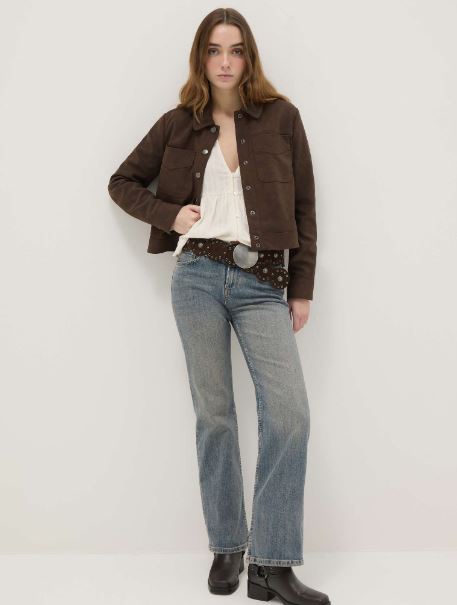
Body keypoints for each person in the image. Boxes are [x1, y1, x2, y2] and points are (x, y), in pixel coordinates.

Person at [108, 8, 330, 605]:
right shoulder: (178, 123)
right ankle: (228, 545)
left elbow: (305, 207)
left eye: (235, 50)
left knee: (290, 415)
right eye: (214, 50)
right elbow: (122, 182)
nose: (225, 62)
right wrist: (169, 214)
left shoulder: (282, 118)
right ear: (200, 58)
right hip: (198, 278)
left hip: (264, 282)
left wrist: (301, 287)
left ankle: (272, 564)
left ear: (249, 56)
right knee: (215, 415)